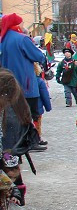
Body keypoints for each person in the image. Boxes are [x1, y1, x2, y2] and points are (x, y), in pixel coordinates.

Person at [0, 14, 48, 149]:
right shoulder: (22, 39)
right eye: (21, 23)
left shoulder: (2, 39)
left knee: (12, 115)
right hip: (25, 84)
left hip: (7, 85)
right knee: (28, 113)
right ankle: (31, 142)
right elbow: (38, 55)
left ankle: (15, 141)